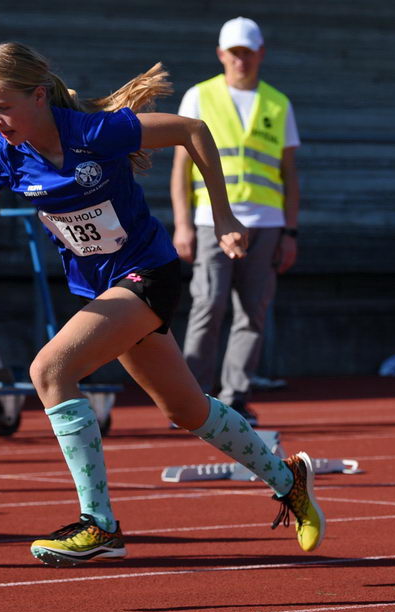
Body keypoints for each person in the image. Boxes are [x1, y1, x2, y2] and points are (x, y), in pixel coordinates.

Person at [0, 42, 324, 566]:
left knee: (49, 370)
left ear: (39, 96)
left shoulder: (94, 132)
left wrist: (224, 215)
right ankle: (289, 479)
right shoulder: (2, 152)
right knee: (187, 410)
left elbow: (193, 130)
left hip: (148, 273)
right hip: (103, 291)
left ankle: (98, 525)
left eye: (3, 107)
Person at [171, 17, 300, 427]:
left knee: (253, 312)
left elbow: (289, 174)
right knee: (208, 304)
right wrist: (182, 224)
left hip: (267, 223)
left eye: (247, 52)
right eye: (234, 52)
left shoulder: (278, 103)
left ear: (260, 53)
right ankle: (192, 400)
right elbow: (180, 168)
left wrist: (290, 231)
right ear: (221, 54)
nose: (240, 59)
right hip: (212, 221)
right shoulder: (199, 96)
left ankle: (236, 399)